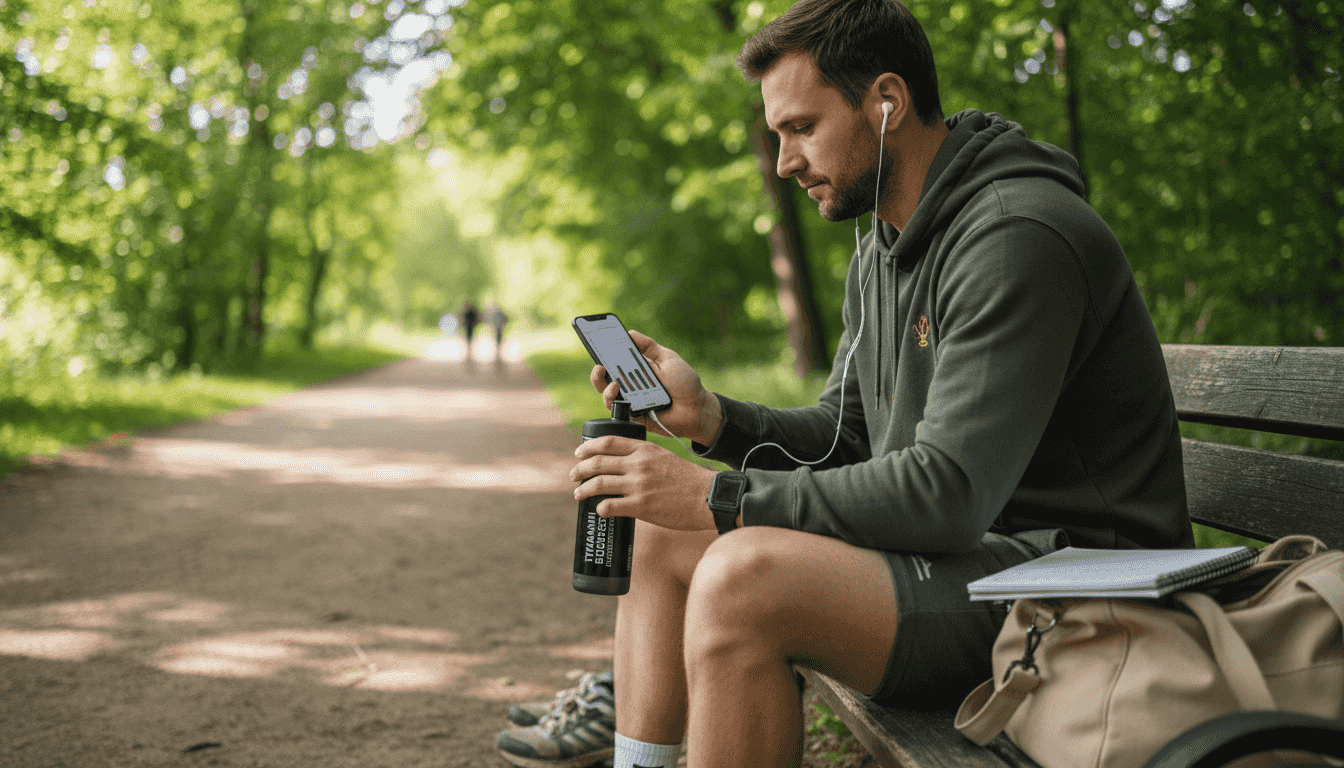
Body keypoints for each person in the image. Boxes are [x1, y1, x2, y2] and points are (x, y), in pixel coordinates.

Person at [498, 2, 1192, 767]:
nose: (784, 161)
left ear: (886, 102)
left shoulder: (1015, 236)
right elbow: (846, 437)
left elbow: (948, 493)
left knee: (740, 578)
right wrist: (712, 419)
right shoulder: (883, 249)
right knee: (663, 537)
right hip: (976, 567)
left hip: (1082, 587)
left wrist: (714, 496)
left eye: (800, 128)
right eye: (778, 135)